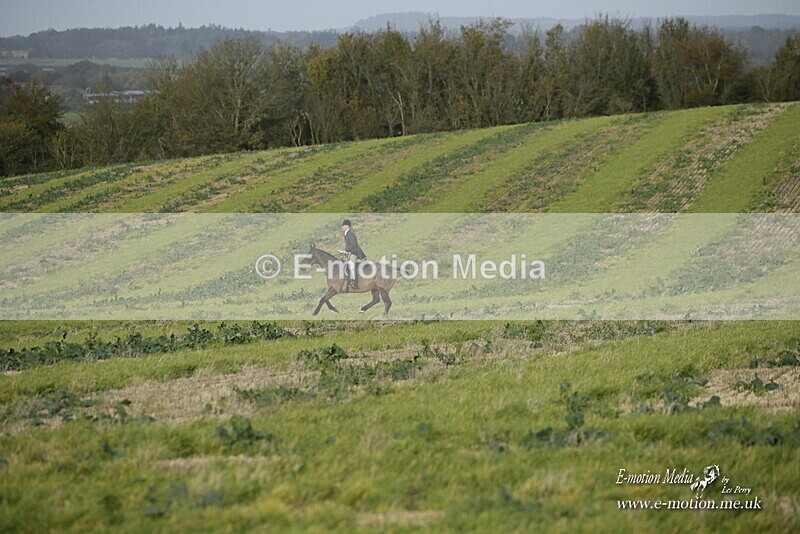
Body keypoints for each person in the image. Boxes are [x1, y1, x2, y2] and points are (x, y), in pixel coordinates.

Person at [339, 219, 366, 289]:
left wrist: (346, 250)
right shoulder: (347, 234)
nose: (342, 227)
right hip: (351, 252)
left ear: (347, 226)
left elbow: (353, 245)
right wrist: (345, 252)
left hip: (355, 253)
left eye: (343, 225)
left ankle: (354, 281)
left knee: (351, 264)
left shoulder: (351, 234)